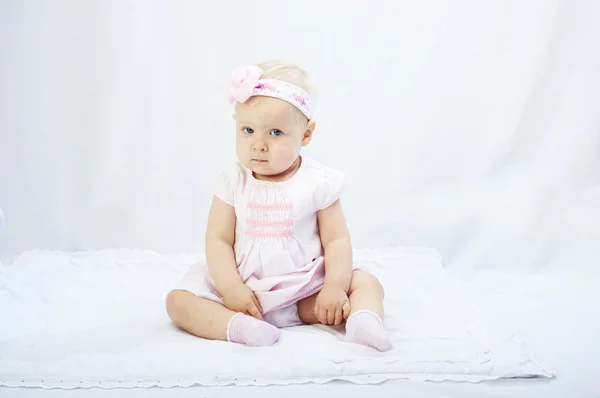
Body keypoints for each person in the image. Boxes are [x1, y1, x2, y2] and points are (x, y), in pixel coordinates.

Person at [166, 59, 391, 351]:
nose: (259, 144)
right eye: (248, 130)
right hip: (245, 293)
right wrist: (232, 288)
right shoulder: (232, 180)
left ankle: (364, 321)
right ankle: (239, 328)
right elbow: (219, 239)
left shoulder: (318, 182)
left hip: (305, 293)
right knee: (178, 302)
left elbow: (336, 239)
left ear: (306, 134)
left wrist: (334, 287)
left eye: (275, 133)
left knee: (365, 282)